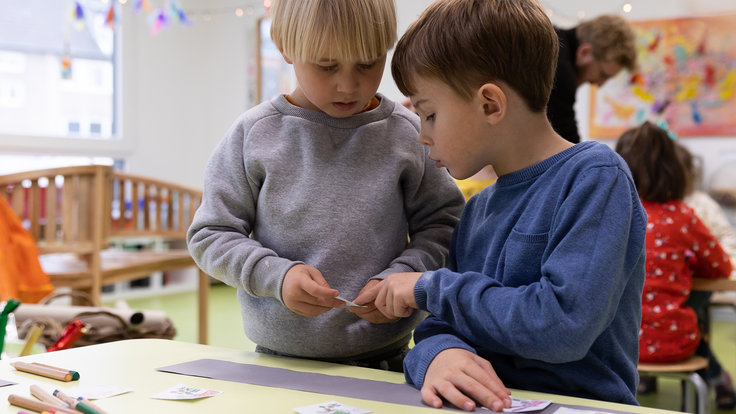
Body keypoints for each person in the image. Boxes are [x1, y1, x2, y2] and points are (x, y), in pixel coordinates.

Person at [354, 0, 647, 411]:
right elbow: (438, 327)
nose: (422, 135)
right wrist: (438, 356)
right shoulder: (475, 211)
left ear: (490, 104)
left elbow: (563, 325)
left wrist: (427, 286)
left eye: (430, 114)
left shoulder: (595, 177)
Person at [186, 0, 464, 372]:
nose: (348, 84)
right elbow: (210, 234)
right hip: (279, 362)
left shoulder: (408, 134)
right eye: (327, 65)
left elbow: (445, 227)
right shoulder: (254, 134)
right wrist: (276, 275)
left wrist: (405, 275)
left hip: (391, 358)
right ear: (284, 45)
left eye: (367, 63)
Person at [615, 122, 734, 405]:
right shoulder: (682, 216)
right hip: (675, 344)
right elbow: (721, 268)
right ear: (676, 168)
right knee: (693, 299)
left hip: (616, 346)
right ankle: (717, 381)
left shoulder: (616, 215)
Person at [676, 143, 736, 409]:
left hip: (696, 285)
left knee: (682, 321)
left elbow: (725, 239)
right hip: (661, 287)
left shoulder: (699, 203)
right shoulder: (653, 204)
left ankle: (714, 375)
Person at [547, 15, 637, 143]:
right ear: (585, 52)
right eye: (603, 75)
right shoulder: (560, 69)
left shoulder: (553, 42)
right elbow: (570, 145)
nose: (600, 84)